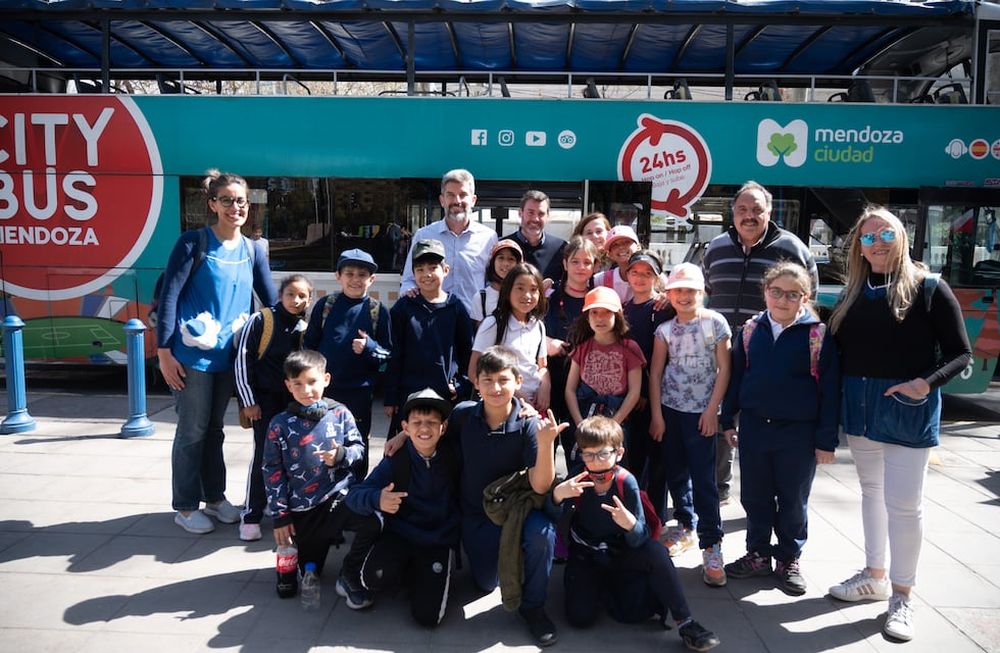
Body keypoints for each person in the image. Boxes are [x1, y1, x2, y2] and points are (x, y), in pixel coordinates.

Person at [826, 207, 971, 642]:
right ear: (859, 248)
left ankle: (903, 596)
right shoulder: (852, 292)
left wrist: (925, 384)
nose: (878, 243)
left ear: (902, 236)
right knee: (871, 494)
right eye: (868, 238)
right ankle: (875, 575)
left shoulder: (930, 288)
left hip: (908, 409)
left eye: (886, 233)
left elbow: (961, 354)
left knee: (905, 506)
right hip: (861, 406)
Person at [157, 170, 277, 535]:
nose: (235, 207)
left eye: (241, 201)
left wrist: (298, 328)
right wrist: (164, 352)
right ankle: (185, 505)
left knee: (215, 431)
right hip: (191, 357)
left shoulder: (253, 249)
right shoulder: (194, 243)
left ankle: (215, 497)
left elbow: (271, 302)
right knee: (192, 430)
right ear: (212, 204)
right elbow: (169, 297)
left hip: (230, 356)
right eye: (226, 200)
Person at [550, 416, 720, 652]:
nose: (595, 462)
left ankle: (687, 622)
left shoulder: (625, 481)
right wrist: (558, 495)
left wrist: (630, 524)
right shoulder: (578, 476)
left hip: (621, 552)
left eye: (602, 454)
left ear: (618, 453)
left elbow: (641, 537)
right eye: (588, 454)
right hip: (586, 554)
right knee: (580, 619)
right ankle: (598, 587)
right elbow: (553, 519)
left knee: (654, 558)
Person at [720, 262, 840, 595]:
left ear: (805, 297)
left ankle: (789, 558)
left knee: (792, 500)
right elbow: (737, 377)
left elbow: (830, 390)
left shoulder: (817, 334)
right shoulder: (750, 330)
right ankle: (758, 554)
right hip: (756, 428)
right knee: (755, 497)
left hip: (798, 433)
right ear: (765, 292)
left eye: (792, 294)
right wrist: (727, 418)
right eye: (776, 292)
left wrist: (826, 440)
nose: (782, 300)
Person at [701, 181, 817, 505]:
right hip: (721, 352)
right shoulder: (716, 247)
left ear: (769, 213)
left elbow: (809, 299)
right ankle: (720, 488)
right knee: (721, 415)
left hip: (770, 352)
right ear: (733, 213)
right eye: (742, 210)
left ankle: (772, 494)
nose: (749, 216)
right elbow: (705, 290)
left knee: (762, 421)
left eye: (756, 210)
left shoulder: (792, 249)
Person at [452, 346, 565, 647]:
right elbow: (426, 431)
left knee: (542, 534)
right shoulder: (463, 416)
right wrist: (398, 436)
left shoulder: (530, 425)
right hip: (478, 516)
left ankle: (534, 607)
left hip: (520, 511)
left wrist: (545, 445)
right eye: (487, 380)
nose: (495, 388)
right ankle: (500, 555)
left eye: (503, 380)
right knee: (486, 583)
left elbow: (541, 487)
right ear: (476, 383)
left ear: (518, 382)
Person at [262, 350, 381, 608]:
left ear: (326, 379)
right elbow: (272, 472)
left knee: (372, 523)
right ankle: (309, 557)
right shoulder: (279, 424)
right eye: (298, 384)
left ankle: (350, 572)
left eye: (312, 382)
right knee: (309, 571)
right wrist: (280, 517)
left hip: (337, 498)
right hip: (302, 509)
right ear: (288, 386)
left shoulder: (340, 414)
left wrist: (340, 455)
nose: (306, 390)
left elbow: (359, 450)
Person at [345, 388, 460, 626]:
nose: (425, 428)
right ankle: (411, 571)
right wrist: (378, 498)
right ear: (405, 428)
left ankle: (428, 574)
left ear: (443, 428)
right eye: (417, 422)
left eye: (432, 422)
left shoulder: (455, 457)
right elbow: (354, 495)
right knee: (372, 578)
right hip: (402, 536)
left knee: (428, 618)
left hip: (438, 541)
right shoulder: (396, 461)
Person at [647, 263, 731, 586]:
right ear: (669, 294)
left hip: (701, 414)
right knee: (676, 473)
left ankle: (712, 544)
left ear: (702, 292)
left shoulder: (715, 324)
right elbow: (655, 372)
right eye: (678, 290)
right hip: (670, 410)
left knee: (705, 480)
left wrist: (713, 411)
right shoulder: (665, 330)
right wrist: (656, 414)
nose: (684, 296)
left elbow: (724, 369)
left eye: (691, 290)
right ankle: (685, 524)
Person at [233, 274, 312, 541]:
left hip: (291, 403)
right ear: (281, 295)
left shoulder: (303, 326)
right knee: (264, 457)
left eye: (302, 296)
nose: (296, 300)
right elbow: (242, 361)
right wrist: (248, 401)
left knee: (290, 456)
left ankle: (277, 504)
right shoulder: (261, 320)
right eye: (291, 294)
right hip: (264, 402)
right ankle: (251, 514)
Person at [303, 248, 392, 479]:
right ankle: (321, 493)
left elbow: (388, 357)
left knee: (355, 444)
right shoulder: (326, 306)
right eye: (349, 273)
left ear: (371, 279)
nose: (355, 279)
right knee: (321, 443)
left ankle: (354, 494)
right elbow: (309, 349)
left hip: (359, 395)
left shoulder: (377, 312)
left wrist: (370, 347)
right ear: (338, 276)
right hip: (324, 393)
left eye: (362, 275)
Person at [385, 239, 474, 438]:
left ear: (446, 270)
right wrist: (391, 397)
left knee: (445, 451)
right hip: (409, 396)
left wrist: (460, 385)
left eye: (433, 268)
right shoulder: (403, 308)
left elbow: (467, 352)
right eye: (420, 269)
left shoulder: (456, 308)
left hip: (445, 396)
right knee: (405, 450)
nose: (426, 275)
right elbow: (394, 354)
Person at [400, 169, 498, 314]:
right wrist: (409, 291)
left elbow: (492, 284)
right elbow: (408, 280)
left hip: (473, 321)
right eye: (450, 195)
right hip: (433, 319)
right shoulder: (424, 235)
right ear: (442, 200)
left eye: (463, 195)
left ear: (473, 200)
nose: (457, 201)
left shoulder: (488, 238)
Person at [620, 251, 674, 506]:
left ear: (657, 277)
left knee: (658, 462)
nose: (640, 278)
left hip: (658, 396)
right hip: (630, 397)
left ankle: (656, 519)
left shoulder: (664, 308)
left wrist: (645, 394)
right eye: (635, 272)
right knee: (635, 459)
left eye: (647, 273)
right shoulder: (622, 310)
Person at [544, 236, 599, 466]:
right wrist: (546, 342)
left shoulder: (599, 297)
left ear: (595, 266)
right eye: (575, 261)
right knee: (545, 451)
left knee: (579, 451)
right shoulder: (547, 295)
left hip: (586, 389)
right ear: (565, 264)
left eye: (587, 262)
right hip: (550, 383)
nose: (581, 267)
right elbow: (527, 329)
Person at [565, 287, 645, 434]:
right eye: (594, 312)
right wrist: (580, 423)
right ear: (587, 316)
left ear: (618, 314)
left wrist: (614, 423)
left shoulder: (629, 348)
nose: (600, 318)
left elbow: (634, 391)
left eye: (607, 312)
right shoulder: (582, 348)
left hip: (617, 418)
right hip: (585, 415)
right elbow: (570, 389)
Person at [470, 262, 550, 411]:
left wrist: (546, 385)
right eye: (520, 288)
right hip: (502, 406)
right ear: (507, 291)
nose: (527, 295)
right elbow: (473, 371)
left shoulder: (537, 325)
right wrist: (515, 394)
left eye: (533, 290)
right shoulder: (493, 324)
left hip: (534, 406)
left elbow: (542, 366)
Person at [504, 190, 567, 284]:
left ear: (548, 216)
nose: (535, 219)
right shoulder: (504, 246)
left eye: (541, 214)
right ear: (520, 213)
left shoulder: (560, 248)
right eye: (530, 212)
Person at [470, 239, 524, 324]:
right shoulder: (481, 297)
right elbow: (479, 333)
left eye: (511, 259)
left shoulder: (524, 295)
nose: (505, 263)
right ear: (493, 262)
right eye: (501, 258)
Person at [592, 225, 641, 303]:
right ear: (609, 254)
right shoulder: (600, 280)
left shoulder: (653, 275)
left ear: (638, 247)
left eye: (626, 242)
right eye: (615, 245)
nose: (621, 247)